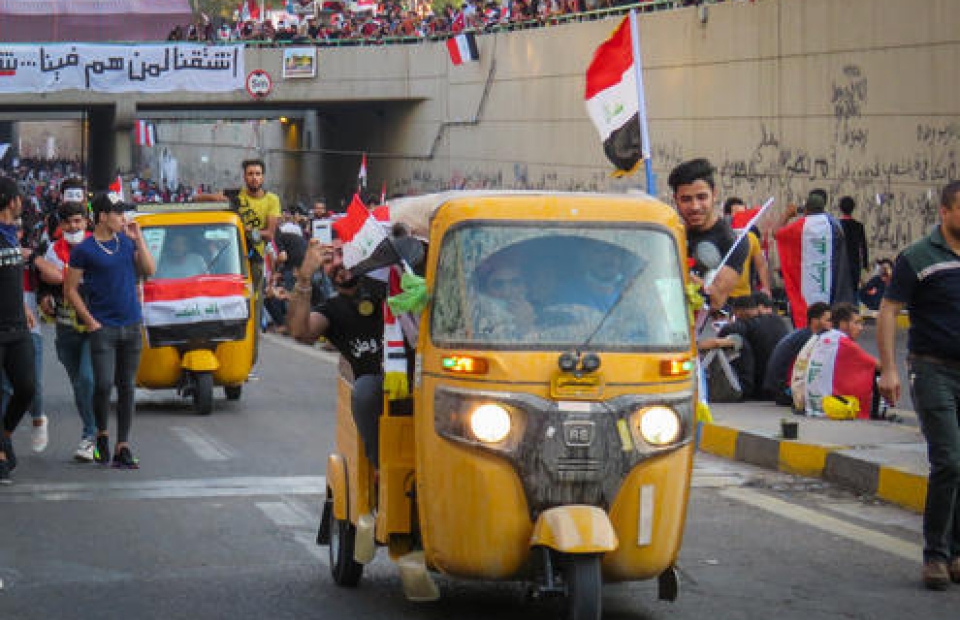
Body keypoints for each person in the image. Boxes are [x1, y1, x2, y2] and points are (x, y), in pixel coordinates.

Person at [877, 180, 960, 590]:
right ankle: (936, 555)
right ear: (944, 212)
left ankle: (956, 552)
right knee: (949, 460)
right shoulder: (917, 257)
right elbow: (888, 311)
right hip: (933, 371)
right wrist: (888, 369)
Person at [64, 192, 156, 469]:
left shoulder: (127, 244)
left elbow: (150, 270)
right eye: (117, 213)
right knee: (103, 384)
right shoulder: (84, 249)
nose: (122, 218)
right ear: (102, 216)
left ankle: (123, 445)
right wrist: (90, 320)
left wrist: (138, 237)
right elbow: (70, 289)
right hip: (103, 327)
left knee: (127, 386)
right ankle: (102, 434)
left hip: (130, 323)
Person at [287, 242, 385, 467]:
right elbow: (300, 331)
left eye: (343, 254)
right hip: (377, 390)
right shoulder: (331, 309)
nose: (338, 263)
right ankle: (379, 468)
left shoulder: (389, 286)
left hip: (417, 380)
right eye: (328, 260)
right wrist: (304, 279)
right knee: (365, 390)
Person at [34, 196, 98, 461]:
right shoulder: (52, 251)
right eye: (68, 222)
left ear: (86, 222)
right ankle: (93, 430)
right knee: (79, 384)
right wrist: (44, 298)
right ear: (61, 225)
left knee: (87, 378)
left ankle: (91, 435)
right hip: (65, 329)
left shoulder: (96, 246)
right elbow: (44, 285)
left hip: (92, 327)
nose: (73, 227)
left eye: (77, 221)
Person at [669, 158, 749, 313]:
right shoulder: (671, 237)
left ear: (714, 194)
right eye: (686, 199)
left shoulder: (733, 241)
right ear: (676, 200)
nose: (695, 206)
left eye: (701, 197)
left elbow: (716, 300)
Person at [0, 176, 37, 484]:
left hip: (17, 326)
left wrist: (24, 307)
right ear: (10, 201)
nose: (22, 202)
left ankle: (4, 436)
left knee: (26, 387)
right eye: (19, 198)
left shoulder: (12, 233)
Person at [775, 191, 856, 327]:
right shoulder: (835, 226)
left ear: (806, 209)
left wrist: (787, 215)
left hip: (806, 285)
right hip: (831, 285)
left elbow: (776, 233)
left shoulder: (799, 227)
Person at [763, 302, 832, 406]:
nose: (831, 324)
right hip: (783, 391)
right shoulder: (808, 339)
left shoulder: (804, 334)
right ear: (814, 321)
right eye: (828, 320)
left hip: (776, 387)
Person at [476, 261, 536, 338]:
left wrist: (527, 325)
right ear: (486, 290)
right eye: (498, 284)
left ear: (525, 287)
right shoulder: (478, 320)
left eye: (515, 282)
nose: (507, 291)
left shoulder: (547, 317)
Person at [839, 196, 869, 289]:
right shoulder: (858, 226)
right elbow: (863, 246)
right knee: (854, 291)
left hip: (840, 263)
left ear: (840, 208)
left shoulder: (837, 225)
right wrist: (865, 264)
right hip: (854, 264)